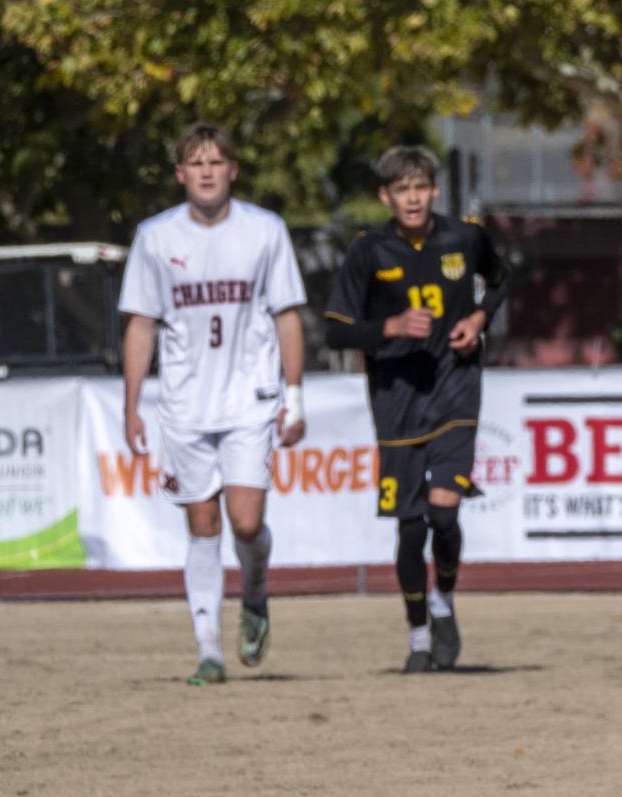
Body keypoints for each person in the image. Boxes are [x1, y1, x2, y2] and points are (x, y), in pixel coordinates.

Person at [120, 123, 308, 687]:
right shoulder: (155, 237)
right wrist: (132, 405)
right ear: (180, 174)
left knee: (246, 524)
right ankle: (209, 650)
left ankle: (254, 591)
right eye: (195, 162)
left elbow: (288, 314)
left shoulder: (265, 231)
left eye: (217, 161)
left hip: (250, 400)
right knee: (202, 527)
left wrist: (293, 397)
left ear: (234, 170)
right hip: (182, 407)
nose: (206, 171)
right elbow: (140, 323)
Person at [324, 145, 508, 671]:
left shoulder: (465, 236)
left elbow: (500, 280)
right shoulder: (368, 251)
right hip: (396, 402)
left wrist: (478, 320)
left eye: (421, 187)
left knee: (444, 510)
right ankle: (419, 639)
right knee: (410, 528)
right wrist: (389, 327)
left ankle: (443, 599)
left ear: (433, 190)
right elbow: (335, 327)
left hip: (455, 390)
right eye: (401, 190)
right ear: (386, 196)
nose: (413, 198)